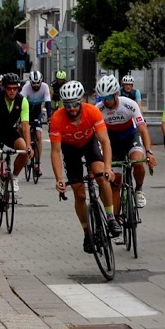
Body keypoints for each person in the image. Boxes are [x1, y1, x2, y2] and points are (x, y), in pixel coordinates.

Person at [48, 80, 121, 252]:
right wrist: (59, 179)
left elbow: (105, 141)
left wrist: (108, 167)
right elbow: (56, 152)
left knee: (101, 176)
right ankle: (87, 233)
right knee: (79, 193)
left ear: (80, 101)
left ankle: (111, 218)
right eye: (68, 105)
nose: (72, 108)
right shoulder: (57, 119)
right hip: (70, 149)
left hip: (90, 144)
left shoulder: (93, 112)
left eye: (75, 104)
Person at [94, 74, 154, 213]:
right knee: (115, 183)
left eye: (109, 97)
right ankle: (115, 220)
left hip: (130, 136)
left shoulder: (129, 104)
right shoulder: (98, 109)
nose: (106, 102)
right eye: (103, 98)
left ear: (116, 94)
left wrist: (149, 152)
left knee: (138, 162)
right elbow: (96, 137)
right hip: (111, 142)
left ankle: (138, 189)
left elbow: (143, 129)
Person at [0, 73, 30, 213]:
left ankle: (13, 176)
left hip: (9, 131)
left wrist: (28, 146)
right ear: (4, 88)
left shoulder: (22, 101)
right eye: (9, 88)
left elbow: (25, 125)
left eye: (15, 88)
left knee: (23, 150)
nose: (12, 91)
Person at [21, 70, 52, 180]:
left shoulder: (45, 87)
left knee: (38, 136)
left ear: (41, 81)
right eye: (33, 84)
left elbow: (48, 103)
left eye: (37, 83)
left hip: (38, 111)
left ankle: (37, 165)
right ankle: (26, 149)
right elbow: (20, 103)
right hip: (26, 110)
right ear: (30, 82)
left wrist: (49, 118)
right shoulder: (26, 88)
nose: (35, 86)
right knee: (24, 130)